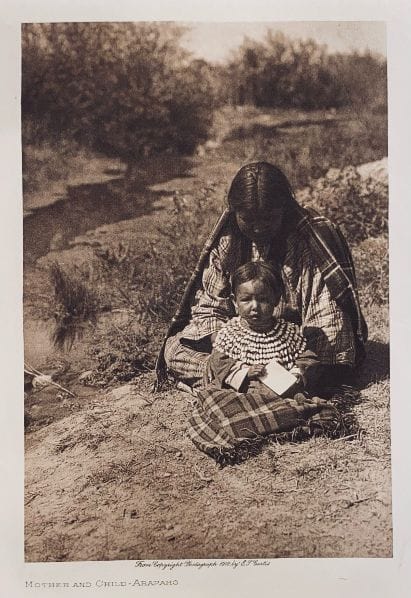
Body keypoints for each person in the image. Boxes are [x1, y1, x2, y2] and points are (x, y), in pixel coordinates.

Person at [156, 161, 367, 392]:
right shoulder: (228, 241)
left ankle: (260, 385)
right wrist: (229, 350)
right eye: (248, 220)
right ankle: (248, 381)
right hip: (239, 344)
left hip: (293, 345)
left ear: (283, 209)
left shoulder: (309, 239)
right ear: (235, 212)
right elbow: (210, 305)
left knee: (324, 362)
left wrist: (294, 357)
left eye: (268, 219)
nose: (258, 228)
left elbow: (325, 314)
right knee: (174, 350)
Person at [186, 261, 342, 464]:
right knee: (213, 398)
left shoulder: (289, 332)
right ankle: (265, 420)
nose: (255, 307)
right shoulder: (229, 334)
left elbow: (307, 358)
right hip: (243, 393)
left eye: (263, 299)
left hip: (282, 393)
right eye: (246, 300)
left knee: (303, 402)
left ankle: (267, 420)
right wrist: (244, 371)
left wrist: (295, 373)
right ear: (234, 301)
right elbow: (220, 364)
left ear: (277, 299)